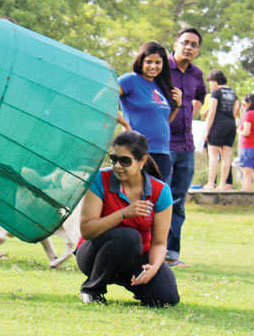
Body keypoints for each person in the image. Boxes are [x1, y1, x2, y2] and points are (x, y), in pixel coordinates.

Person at [76, 131, 179, 307]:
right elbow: (87, 230)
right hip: (94, 255)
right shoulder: (100, 180)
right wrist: (123, 213)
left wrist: (152, 269)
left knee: (167, 298)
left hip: (136, 258)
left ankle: (131, 282)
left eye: (124, 160)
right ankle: (92, 290)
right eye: (113, 158)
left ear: (142, 161)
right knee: (129, 237)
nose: (117, 165)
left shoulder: (160, 191)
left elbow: (159, 243)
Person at [166, 28, 206, 267]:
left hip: (187, 144)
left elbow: (201, 94)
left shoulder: (197, 74)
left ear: (198, 50)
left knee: (179, 200)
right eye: (185, 43)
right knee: (160, 196)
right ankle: (151, 250)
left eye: (194, 45)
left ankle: (172, 254)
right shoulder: (161, 67)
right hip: (163, 143)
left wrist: (191, 112)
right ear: (176, 43)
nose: (189, 47)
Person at [118, 41, 182, 180]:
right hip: (137, 151)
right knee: (136, 197)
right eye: (149, 62)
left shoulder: (161, 85)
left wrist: (177, 106)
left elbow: (164, 121)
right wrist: (125, 123)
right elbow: (103, 98)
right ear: (141, 61)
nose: (153, 66)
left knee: (158, 198)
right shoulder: (130, 80)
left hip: (162, 152)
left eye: (158, 62)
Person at [203, 69, 239, 190]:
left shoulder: (216, 92)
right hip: (231, 125)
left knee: (213, 155)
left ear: (215, 81)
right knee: (227, 156)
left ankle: (211, 183)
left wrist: (206, 131)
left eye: (210, 82)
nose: (210, 85)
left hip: (218, 125)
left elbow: (212, 112)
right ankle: (223, 184)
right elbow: (235, 112)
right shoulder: (233, 93)